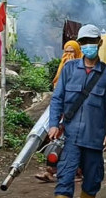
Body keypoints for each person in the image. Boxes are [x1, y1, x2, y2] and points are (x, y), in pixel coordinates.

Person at [47, 24, 106, 198]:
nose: (88, 45)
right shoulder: (69, 69)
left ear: (99, 43)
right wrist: (53, 124)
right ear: (80, 45)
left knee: (93, 179)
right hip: (70, 137)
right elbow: (57, 98)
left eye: (92, 41)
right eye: (84, 42)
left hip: (95, 138)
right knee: (65, 177)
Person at [35, 40, 83, 183]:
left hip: (76, 112)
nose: (68, 55)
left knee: (72, 141)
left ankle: (77, 171)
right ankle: (50, 170)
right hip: (61, 111)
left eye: (71, 52)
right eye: (66, 51)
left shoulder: (82, 69)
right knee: (55, 139)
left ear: (77, 52)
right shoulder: (64, 67)